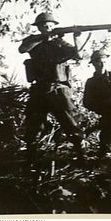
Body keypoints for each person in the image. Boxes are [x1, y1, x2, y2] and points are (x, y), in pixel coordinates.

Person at [18, 12, 84, 162]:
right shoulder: (33, 41)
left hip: (58, 89)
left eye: (50, 25)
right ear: (39, 27)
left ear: (54, 26)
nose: (47, 27)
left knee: (70, 122)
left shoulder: (60, 43)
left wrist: (77, 37)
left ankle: (81, 155)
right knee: (34, 123)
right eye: (44, 25)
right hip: (39, 89)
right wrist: (43, 38)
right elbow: (23, 49)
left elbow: (79, 55)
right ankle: (30, 157)